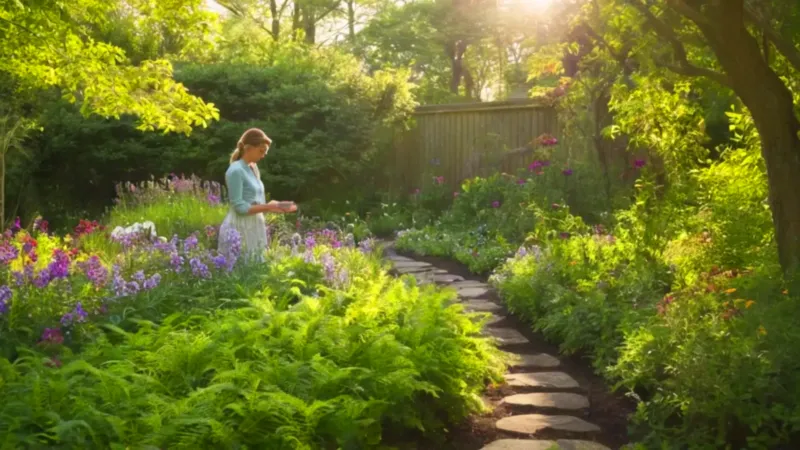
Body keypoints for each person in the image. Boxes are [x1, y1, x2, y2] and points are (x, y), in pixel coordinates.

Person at [219, 128, 296, 261]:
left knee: (257, 266)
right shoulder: (236, 170)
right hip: (239, 229)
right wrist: (269, 207)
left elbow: (257, 202)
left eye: (265, 152)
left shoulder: (253, 168)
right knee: (243, 267)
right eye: (261, 150)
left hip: (254, 226)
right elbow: (239, 207)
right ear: (248, 148)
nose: (264, 155)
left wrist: (276, 206)